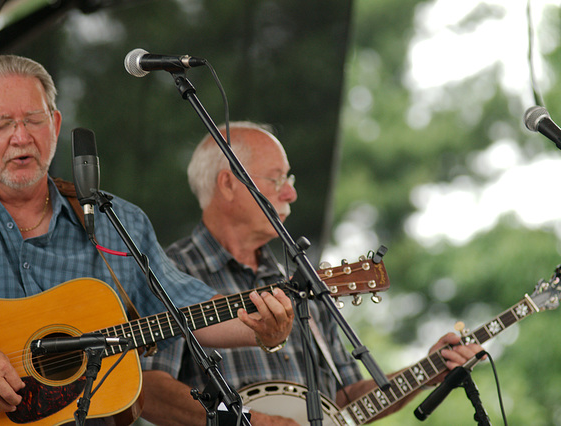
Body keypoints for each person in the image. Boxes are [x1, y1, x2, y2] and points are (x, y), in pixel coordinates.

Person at [0, 56, 293, 422]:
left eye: (34, 119)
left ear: (55, 124)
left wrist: (266, 329)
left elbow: (185, 307)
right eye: (1, 124)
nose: (21, 136)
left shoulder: (119, 221)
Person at [139, 122, 484, 425]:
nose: (291, 193)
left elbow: (343, 402)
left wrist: (423, 373)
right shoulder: (169, 274)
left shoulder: (301, 282)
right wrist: (249, 422)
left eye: (289, 179)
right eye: (276, 180)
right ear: (228, 184)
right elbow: (149, 390)